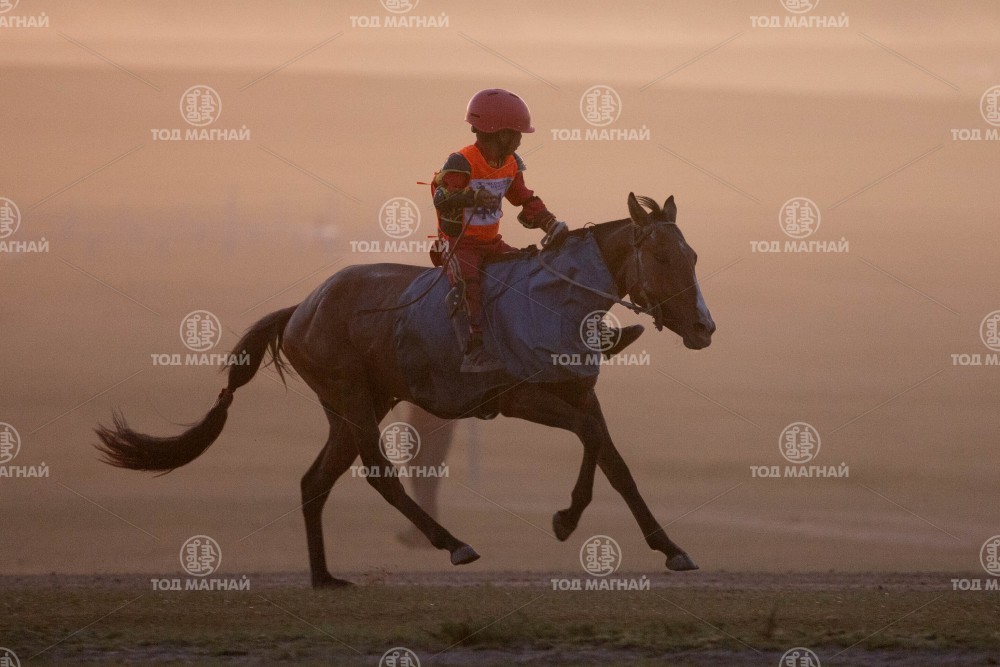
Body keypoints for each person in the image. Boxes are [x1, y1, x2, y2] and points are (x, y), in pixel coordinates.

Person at [431, 88, 643, 372]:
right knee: (468, 284)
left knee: (538, 273)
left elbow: (524, 198)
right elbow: (442, 197)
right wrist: (472, 197)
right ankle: (474, 350)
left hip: (492, 244)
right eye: (518, 134)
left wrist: (549, 222)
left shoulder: (510, 164)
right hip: (459, 245)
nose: (521, 140)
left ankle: (597, 333)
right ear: (501, 134)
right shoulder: (461, 162)